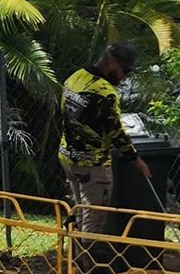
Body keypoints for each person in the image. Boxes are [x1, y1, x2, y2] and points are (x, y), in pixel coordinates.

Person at [59, 40, 149, 233]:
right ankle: (91, 262)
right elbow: (115, 131)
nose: (124, 77)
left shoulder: (75, 78)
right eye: (124, 70)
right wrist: (136, 160)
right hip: (93, 165)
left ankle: (75, 260)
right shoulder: (105, 92)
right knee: (94, 221)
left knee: (79, 213)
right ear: (111, 62)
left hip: (68, 158)